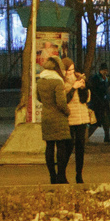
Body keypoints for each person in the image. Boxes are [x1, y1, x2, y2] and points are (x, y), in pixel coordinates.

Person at [35, 53, 71, 183]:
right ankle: (61, 175)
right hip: (58, 117)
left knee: (49, 146)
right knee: (61, 146)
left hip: (46, 116)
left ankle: (52, 176)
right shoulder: (57, 81)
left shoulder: (40, 81)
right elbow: (61, 103)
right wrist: (68, 112)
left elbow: (38, 98)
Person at [63, 59, 96, 183]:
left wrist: (83, 87)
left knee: (80, 147)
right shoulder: (62, 82)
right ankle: (62, 173)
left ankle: (79, 174)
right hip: (70, 118)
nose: (71, 72)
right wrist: (73, 87)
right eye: (69, 70)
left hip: (82, 118)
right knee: (69, 146)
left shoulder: (78, 78)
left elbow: (86, 99)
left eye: (72, 69)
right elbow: (65, 100)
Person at [90, 66, 110, 143]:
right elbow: (96, 90)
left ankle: (107, 137)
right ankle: (86, 136)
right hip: (98, 103)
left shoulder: (104, 78)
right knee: (96, 122)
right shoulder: (96, 79)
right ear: (100, 70)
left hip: (103, 103)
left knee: (105, 121)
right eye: (104, 70)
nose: (105, 72)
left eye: (106, 70)